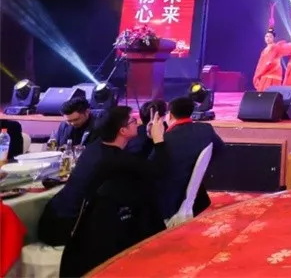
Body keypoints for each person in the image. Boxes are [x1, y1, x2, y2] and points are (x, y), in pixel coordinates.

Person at [38, 106, 168, 246]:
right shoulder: (115, 160)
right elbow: (158, 171)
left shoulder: (95, 148)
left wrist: (149, 138)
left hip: (51, 219)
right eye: (133, 121)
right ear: (123, 131)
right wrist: (159, 139)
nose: (137, 123)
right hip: (70, 229)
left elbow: (136, 162)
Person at [156, 96, 225, 220]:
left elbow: (151, 169)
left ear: (170, 115)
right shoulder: (206, 129)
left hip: (170, 201)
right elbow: (220, 148)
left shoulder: (165, 140)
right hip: (195, 195)